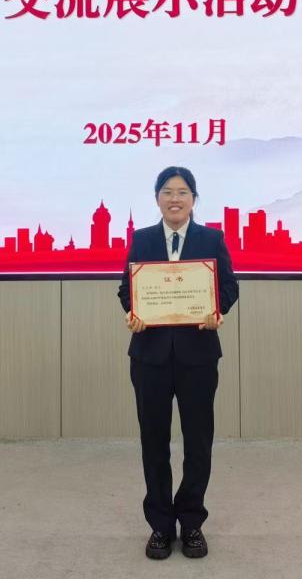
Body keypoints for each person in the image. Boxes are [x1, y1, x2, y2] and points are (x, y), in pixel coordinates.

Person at [117, 166, 239, 560]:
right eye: (167, 191)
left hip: (197, 357)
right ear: (157, 198)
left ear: (193, 199)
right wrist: (133, 313)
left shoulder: (211, 239)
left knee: (198, 442)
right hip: (149, 357)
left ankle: (191, 523)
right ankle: (160, 526)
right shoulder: (142, 239)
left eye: (182, 192)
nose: (175, 198)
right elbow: (127, 289)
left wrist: (216, 311)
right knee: (153, 443)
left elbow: (228, 287)